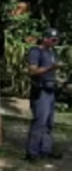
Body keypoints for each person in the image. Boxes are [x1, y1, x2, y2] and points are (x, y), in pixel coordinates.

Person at [26, 28, 62, 161]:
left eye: (57, 40)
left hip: (51, 90)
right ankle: (32, 152)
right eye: (53, 39)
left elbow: (52, 75)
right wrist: (51, 68)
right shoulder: (36, 51)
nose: (55, 42)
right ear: (45, 38)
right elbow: (32, 71)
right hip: (40, 91)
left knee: (49, 123)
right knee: (39, 121)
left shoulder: (53, 53)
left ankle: (45, 150)